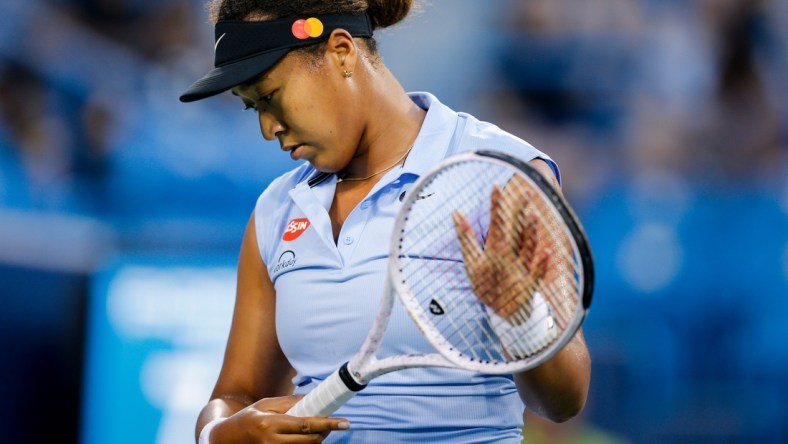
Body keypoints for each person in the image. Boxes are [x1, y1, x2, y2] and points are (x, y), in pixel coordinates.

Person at [180, 1, 591, 442]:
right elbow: (234, 395)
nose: (267, 127)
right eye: (251, 108)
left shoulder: (504, 172)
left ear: (341, 52)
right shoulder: (277, 208)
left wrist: (521, 318)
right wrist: (221, 435)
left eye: (270, 97)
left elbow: (565, 401)